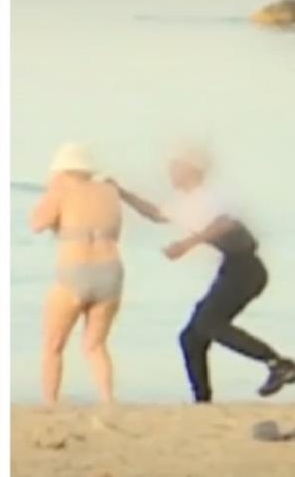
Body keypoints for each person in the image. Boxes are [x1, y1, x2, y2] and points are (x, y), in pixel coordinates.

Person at [115, 144, 295, 402]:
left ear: (193, 170)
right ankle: (202, 400)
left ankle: (277, 363)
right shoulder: (183, 203)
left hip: (246, 268)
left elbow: (225, 223)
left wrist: (187, 244)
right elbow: (155, 214)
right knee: (191, 337)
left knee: (210, 323)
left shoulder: (210, 195)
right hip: (233, 267)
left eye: (176, 167)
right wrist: (121, 193)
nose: (170, 172)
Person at [30, 143, 123, 404]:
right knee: (96, 345)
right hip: (111, 271)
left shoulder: (61, 189)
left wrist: (51, 191)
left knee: (53, 346)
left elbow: (37, 222)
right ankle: (107, 400)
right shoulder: (110, 191)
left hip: (74, 272)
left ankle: (50, 403)